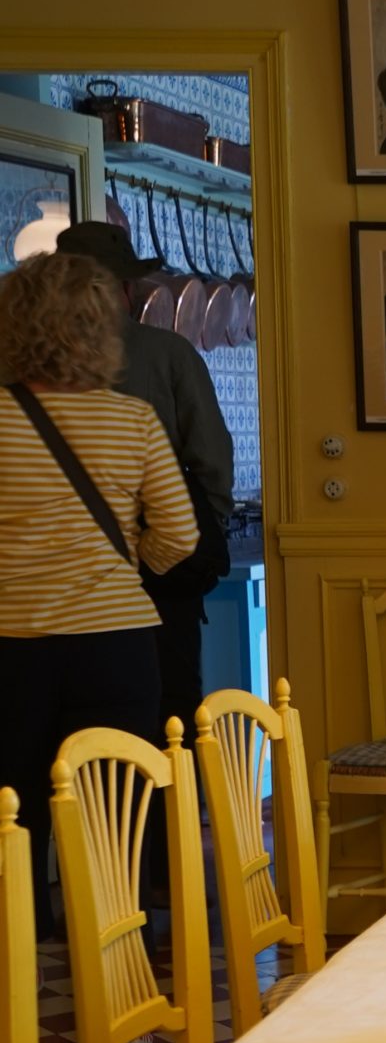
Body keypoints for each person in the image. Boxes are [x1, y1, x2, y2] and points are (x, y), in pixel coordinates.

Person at [0, 252, 199, 931]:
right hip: (115, 646)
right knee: (115, 813)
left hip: (12, 647)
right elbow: (180, 536)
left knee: (14, 816)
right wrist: (120, 572)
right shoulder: (133, 419)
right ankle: (121, 985)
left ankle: (19, 979)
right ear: (100, 330)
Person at [54, 224, 232, 783]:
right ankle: (161, 859)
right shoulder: (170, 354)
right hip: (158, 587)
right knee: (166, 726)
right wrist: (166, 553)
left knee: (59, 745)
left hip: (52, 595)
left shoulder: (24, 371)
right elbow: (212, 464)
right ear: (127, 290)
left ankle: (71, 863)